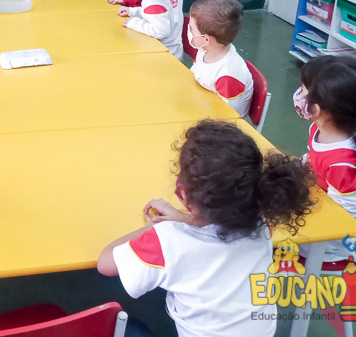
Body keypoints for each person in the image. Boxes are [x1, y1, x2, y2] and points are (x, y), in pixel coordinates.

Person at [98, 120, 313, 337]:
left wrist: (151, 229)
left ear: (181, 193)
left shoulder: (166, 241)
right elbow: (218, 229)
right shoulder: (261, 225)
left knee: (126, 326)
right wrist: (184, 219)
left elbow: (105, 263)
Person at [294, 55, 356, 262]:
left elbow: (341, 220)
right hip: (312, 207)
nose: (298, 93)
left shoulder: (343, 163)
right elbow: (312, 160)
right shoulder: (319, 130)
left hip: (325, 244)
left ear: (317, 109)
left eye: (303, 89)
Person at [188, 0, 254, 118]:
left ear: (206, 39)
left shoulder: (228, 75)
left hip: (219, 123)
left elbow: (227, 117)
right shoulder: (205, 50)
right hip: (201, 104)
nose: (189, 31)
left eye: (191, 29)